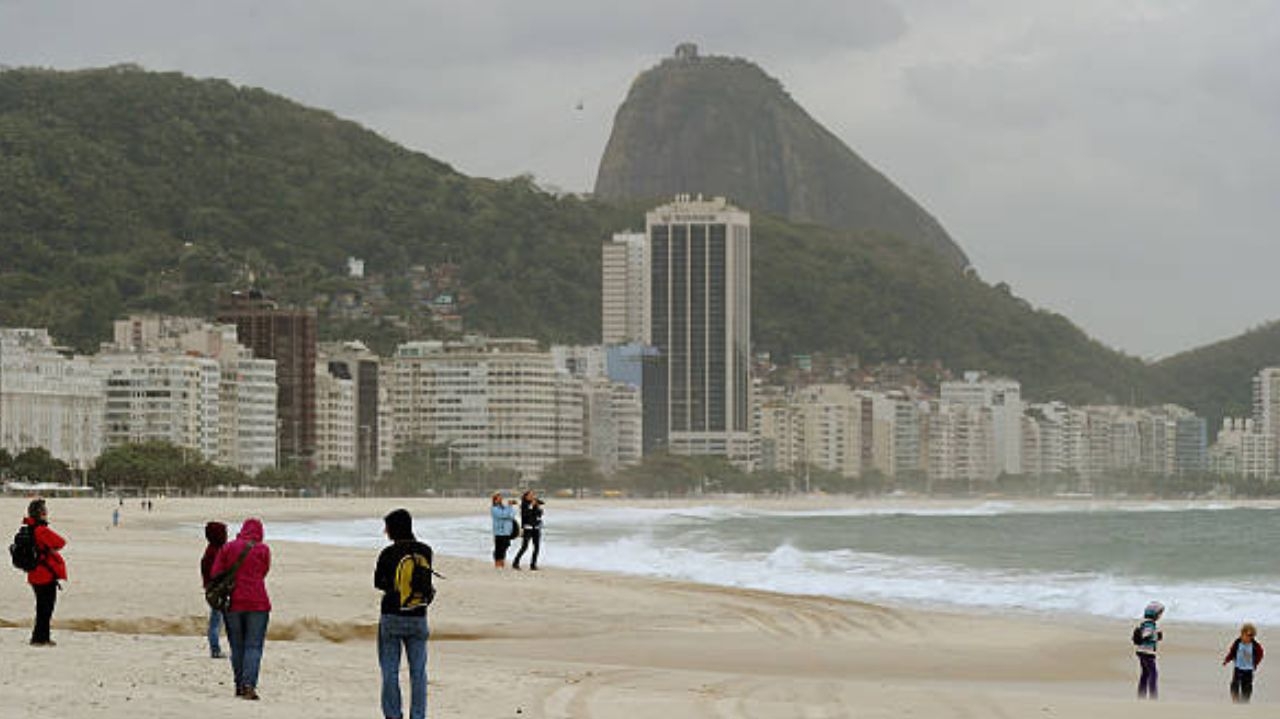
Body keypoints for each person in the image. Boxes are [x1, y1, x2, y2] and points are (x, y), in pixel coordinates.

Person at [374, 509, 434, 719]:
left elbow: (378, 583)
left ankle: (393, 715)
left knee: (390, 670)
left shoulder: (388, 553)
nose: (385, 531)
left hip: (392, 615)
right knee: (418, 672)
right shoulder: (425, 551)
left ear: (393, 528)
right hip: (418, 615)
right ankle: (418, 716)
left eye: (387, 527)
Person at [211, 518, 271, 700]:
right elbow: (264, 572)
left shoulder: (228, 548)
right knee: (254, 646)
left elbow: (215, 573)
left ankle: (239, 685)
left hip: (233, 603)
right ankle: (248, 685)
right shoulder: (263, 549)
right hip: (258, 603)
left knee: (237, 646)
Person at [22, 498, 67, 647]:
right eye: (44, 510)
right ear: (40, 513)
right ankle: (40, 639)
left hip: (35, 574)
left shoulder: (30, 528)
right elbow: (61, 542)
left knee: (42, 608)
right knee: (46, 609)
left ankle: (41, 637)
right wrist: (51, 548)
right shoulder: (40, 529)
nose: (47, 513)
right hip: (44, 574)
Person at [200, 521, 229, 659]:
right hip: (218, 591)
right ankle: (215, 649)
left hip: (214, 590)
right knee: (216, 620)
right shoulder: (215, 551)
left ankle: (215, 648)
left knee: (217, 620)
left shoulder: (212, 550)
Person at [1223, 623, 1264, 704]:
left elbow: (1261, 654)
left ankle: (1245, 701)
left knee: (1247, 686)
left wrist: (1255, 663)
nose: (1247, 637)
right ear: (1242, 634)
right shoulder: (1238, 642)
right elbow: (1232, 652)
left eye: (1250, 636)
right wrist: (1227, 660)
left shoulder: (1255, 645)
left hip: (1248, 669)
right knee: (1234, 684)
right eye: (1246, 635)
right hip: (1238, 668)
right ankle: (1235, 700)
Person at [1135, 601, 1164, 700]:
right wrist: (1156, 636)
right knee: (1153, 674)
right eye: (1160, 614)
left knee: (1145, 673)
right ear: (1155, 614)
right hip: (1147, 652)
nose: (1160, 616)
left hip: (1141, 651)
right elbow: (1146, 635)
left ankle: (1141, 695)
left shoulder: (1145, 623)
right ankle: (1153, 697)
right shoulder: (1149, 624)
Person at [512, 490, 543, 571]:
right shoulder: (524, 505)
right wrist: (531, 506)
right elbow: (525, 515)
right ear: (526, 496)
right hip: (527, 528)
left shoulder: (535, 503)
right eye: (530, 495)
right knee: (524, 547)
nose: (532, 496)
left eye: (533, 495)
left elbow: (539, 512)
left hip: (536, 528)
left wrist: (538, 507)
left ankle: (533, 565)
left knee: (537, 547)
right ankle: (515, 563)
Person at [490, 493, 516, 569]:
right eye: (498, 498)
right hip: (499, 532)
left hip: (507, 531)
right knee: (499, 548)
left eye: (501, 498)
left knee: (506, 546)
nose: (500, 499)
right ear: (495, 500)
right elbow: (503, 515)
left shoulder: (504, 507)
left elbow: (512, 515)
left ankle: (502, 561)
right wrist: (509, 507)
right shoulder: (494, 508)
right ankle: (497, 563)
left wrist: (509, 509)